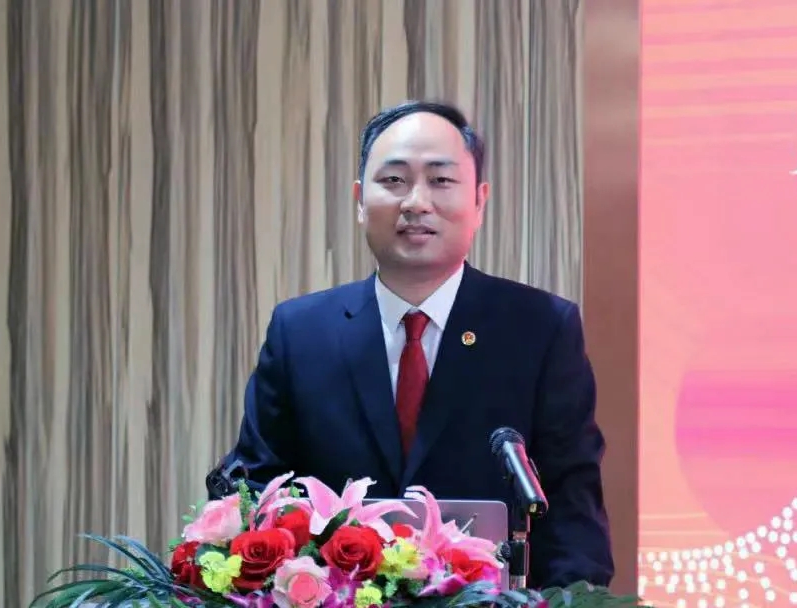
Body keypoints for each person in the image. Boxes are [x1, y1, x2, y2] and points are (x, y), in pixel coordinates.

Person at [212, 100, 614, 589]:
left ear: (479, 201)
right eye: (394, 180)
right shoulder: (299, 333)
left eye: (441, 180)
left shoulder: (540, 328)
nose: (416, 202)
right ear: (360, 200)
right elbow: (255, 490)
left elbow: (572, 509)